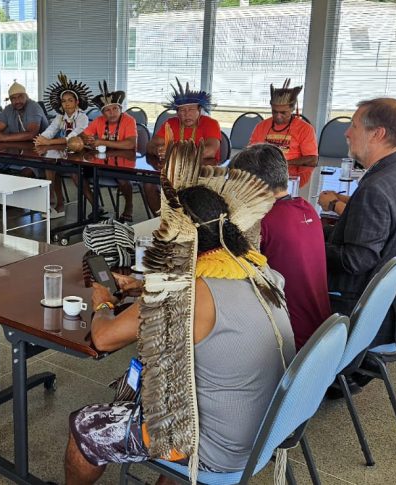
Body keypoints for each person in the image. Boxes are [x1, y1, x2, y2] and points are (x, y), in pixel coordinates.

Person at [66, 149, 294, 483]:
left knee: (85, 429)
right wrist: (146, 288)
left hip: (211, 448)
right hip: (262, 432)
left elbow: (104, 337)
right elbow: (207, 297)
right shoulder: (259, 269)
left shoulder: (182, 292)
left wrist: (101, 302)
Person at [320, 98, 396, 348]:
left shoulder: (376, 188)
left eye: (354, 126)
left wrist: (306, 246)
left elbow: (355, 260)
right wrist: (312, 230)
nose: (347, 133)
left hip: (366, 313)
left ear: (377, 134)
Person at [230, 143, 330, 349]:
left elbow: (235, 279)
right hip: (323, 335)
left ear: (252, 187)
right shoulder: (307, 209)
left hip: (289, 340)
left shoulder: (260, 222)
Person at [144, 80, 222, 214]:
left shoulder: (210, 123)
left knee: (186, 192)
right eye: (182, 110)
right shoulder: (171, 123)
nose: (186, 114)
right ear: (177, 112)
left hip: (201, 173)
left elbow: (210, 151)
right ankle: (161, 221)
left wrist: (173, 153)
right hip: (172, 172)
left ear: (199, 110)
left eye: (191, 109)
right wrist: (158, 151)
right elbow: (151, 145)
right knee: (148, 184)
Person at [34, 73, 92, 217]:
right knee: (51, 165)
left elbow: (72, 137)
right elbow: (50, 131)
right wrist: (41, 139)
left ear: (76, 102)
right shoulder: (60, 117)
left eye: (70, 100)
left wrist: (49, 142)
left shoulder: (82, 117)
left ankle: (94, 205)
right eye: (64, 101)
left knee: (75, 174)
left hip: (82, 154)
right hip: (64, 154)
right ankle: (57, 205)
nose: (67, 104)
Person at [82, 81, 137, 222]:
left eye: (115, 109)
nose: (112, 113)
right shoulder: (98, 120)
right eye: (107, 110)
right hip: (100, 162)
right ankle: (96, 206)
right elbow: (83, 135)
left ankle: (129, 206)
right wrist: (87, 139)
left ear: (120, 109)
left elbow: (131, 144)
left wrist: (102, 142)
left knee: (123, 179)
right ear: (102, 113)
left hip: (124, 162)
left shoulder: (129, 120)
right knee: (77, 174)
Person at [248, 79, 318, 188]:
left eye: (283, 113)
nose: (278, 116)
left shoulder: (305, 129)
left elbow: (312, 160)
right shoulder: (261, 126)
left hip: (290, 179)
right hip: (263, 178)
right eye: (274, 112)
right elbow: (250, 153)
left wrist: (282, 164)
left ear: (292, 110)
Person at [0, 81, 49, 177]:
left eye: (20, 97)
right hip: (14, 152)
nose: (17, 101)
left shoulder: (33, 106)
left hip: (37, 152)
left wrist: (3, 137)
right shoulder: (9, 109)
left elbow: (31, 134)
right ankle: (4, 187)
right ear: (10, 100)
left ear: (26, 96)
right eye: (13, 98)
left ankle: (14, 188)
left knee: (26, 172)